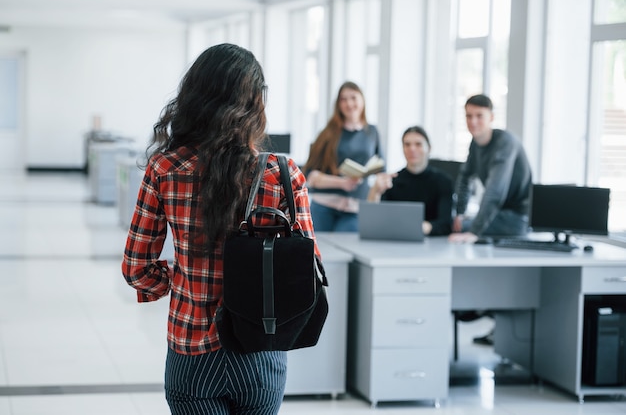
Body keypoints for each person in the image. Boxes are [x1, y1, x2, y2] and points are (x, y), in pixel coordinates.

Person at [121, 43, 320, 415]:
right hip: (260, 351)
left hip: (191, 349)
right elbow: (307, 270)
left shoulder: (164, 169)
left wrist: (179, 280)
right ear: (254, 103)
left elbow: (136, 268)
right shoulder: (283, 173)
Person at [449, 94, 533, 346]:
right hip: (497, 216)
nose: (473, 122)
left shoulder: (505, 143)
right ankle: (477, 302)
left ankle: (477, 303)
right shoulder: (476, 144)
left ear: (491, 118)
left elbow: (495, 191)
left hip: (517, 218)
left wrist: (473, 230)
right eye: (468, 116)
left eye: (479, 116)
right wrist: (459, 213)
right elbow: (465, 178)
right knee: (454, 226)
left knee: (459, 233)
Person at [303, 81, 383, 232]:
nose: (349, 103)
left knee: (348, 252)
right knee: (315, 253)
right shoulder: (327, 133)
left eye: (353, 97)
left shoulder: (372, 132)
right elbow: (309, 175)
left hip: (355, 208)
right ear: (338, 104)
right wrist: (342, 183)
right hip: (323, 206)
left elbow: (381, 166)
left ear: (362, 100)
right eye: (343, 99)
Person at [367, 125, 453, 236]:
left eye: (418, 144)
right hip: (395, 241)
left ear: (429, 148)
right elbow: (374, 221)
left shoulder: (443, 181)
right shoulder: (392, 181)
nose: (412, 149)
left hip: (432, 243)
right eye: (407, 144)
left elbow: (446, 223)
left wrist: (421, 227)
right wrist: (375, 191)